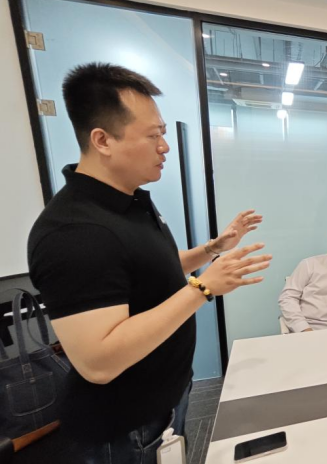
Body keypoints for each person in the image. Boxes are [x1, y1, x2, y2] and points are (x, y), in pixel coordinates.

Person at [26, 63, 271, 462]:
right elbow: (99, 362)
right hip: (126, 424)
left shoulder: (129, 202)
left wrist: (212, 248)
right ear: (103, 140)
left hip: (166, 397)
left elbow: (149, 270)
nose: (165, 147)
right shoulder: (74, 232)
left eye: (164, 134)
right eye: (154, 135)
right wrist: (203, 288)